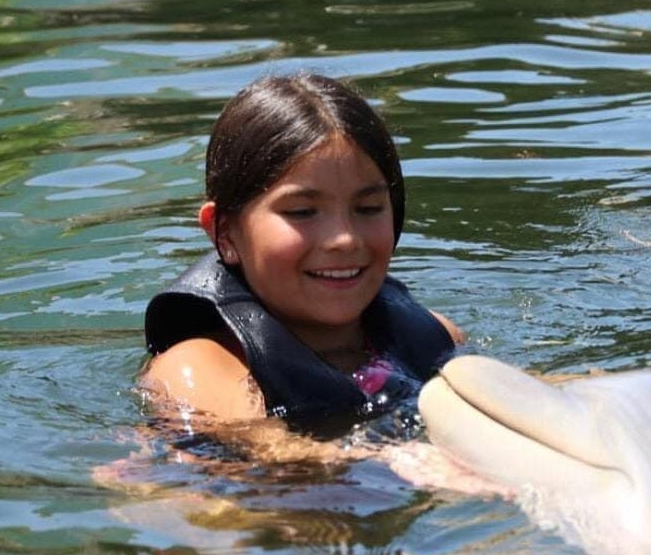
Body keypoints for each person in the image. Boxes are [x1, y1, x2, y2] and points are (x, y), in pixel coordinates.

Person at [141, 73, 464, 439]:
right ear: (225, 233)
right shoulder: (199, 368)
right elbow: (278, 459)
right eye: (301, 212)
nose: (343, 239)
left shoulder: (437, 338)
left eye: (369, 207)